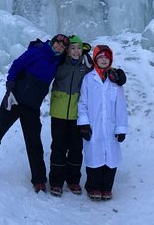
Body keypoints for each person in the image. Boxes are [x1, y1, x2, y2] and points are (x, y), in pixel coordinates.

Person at [0, 34, 70, 193]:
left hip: (32, 106)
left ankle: (39, 180)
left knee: (34, 142)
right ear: (53, 42)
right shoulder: (37, 52)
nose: (59, 47)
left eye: (63, 46)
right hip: (15, 98)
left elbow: (77, 58)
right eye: (57, 43)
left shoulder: (58, 60)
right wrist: (10, 86)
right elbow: (17, 65)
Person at [48, 35, 127, 197]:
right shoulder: (60, 63)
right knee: (59, 147)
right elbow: (45, 63)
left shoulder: (88, 67)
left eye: (78, 48)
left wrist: (119, 74)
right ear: (67, 50)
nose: (76, 51)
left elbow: (108, 72)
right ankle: (56, 182)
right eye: (72, 48)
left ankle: (73, 180)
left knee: (76, 149)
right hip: (60, 112)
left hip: (76, 116)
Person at [77, 44, 129, 201]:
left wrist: (121, 128)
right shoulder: (88, 79)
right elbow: (83, 103)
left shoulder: (115, 81)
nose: (104, 60)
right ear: (95, 59)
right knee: (94, 158)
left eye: (107, 57)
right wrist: (84, 124)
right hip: (94, 126)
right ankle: (93, 187)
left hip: (111, 126)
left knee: (111, 159)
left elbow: (121, 106)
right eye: (100, 57)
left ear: (110, 59)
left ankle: (107, 188)